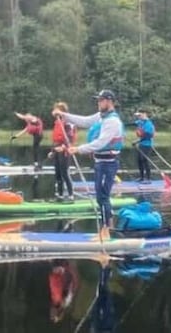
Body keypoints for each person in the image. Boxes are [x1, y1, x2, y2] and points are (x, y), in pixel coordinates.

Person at [53, 89, 125, 241]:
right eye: (98, 100)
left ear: (109, 101)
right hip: (100, 162)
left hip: (108, 163)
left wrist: (78, 149)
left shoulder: (112, 121)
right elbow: (84, 121)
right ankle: (108, 228)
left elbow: (101, 142)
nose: (98, 103)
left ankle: (107, 230)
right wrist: (64, 115)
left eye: (101, 100)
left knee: (103, 197)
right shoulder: (101, 116)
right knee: (101, 197)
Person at [51, 102, 77, 202]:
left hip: (65, 150)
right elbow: (55, 139)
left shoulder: (68, 122)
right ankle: (60, 195)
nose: (55, 112)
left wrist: (63, 147)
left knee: (64, 172)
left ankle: (71, 195)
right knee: (57, 173)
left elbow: (69, 137)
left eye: (57, 110)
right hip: (57, 149)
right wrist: (52, 151)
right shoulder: (58, 122)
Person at [48, 259, 80, 324]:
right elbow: (74, 285)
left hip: (57, 269)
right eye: (52, 314)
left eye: (51, 314)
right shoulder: (64, 300)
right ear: (58, 312)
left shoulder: (54, 301)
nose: (51, 312)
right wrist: (70, 268)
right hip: (64, 268)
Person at [133, 110, 156, 183]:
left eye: (139, 115)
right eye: (138, 116)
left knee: (144, 161)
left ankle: (148, 179)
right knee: (139, 161)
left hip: (147, 145)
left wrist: (137, 141)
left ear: (144, 114)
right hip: (141, 145)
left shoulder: (148, 124)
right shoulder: (140, 122)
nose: (138, 117)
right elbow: (132, 124)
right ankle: (142, 177)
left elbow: (147, 136)